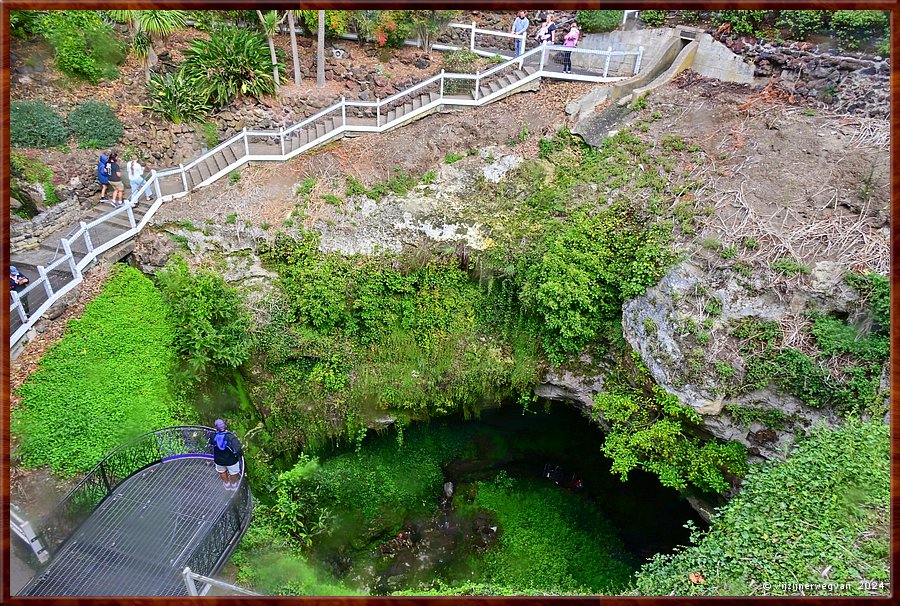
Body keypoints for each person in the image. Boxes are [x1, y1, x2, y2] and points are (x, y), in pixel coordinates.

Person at [209, 419, 243, 490]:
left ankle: (227, 484)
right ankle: (233, 485)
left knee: (222, 471)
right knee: (233, 473)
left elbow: (211, 443)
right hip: (231, 460)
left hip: (219, 459)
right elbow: (238, 449)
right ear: (225, 427)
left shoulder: (213, 436)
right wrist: (239, 456)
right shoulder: (230, 437)